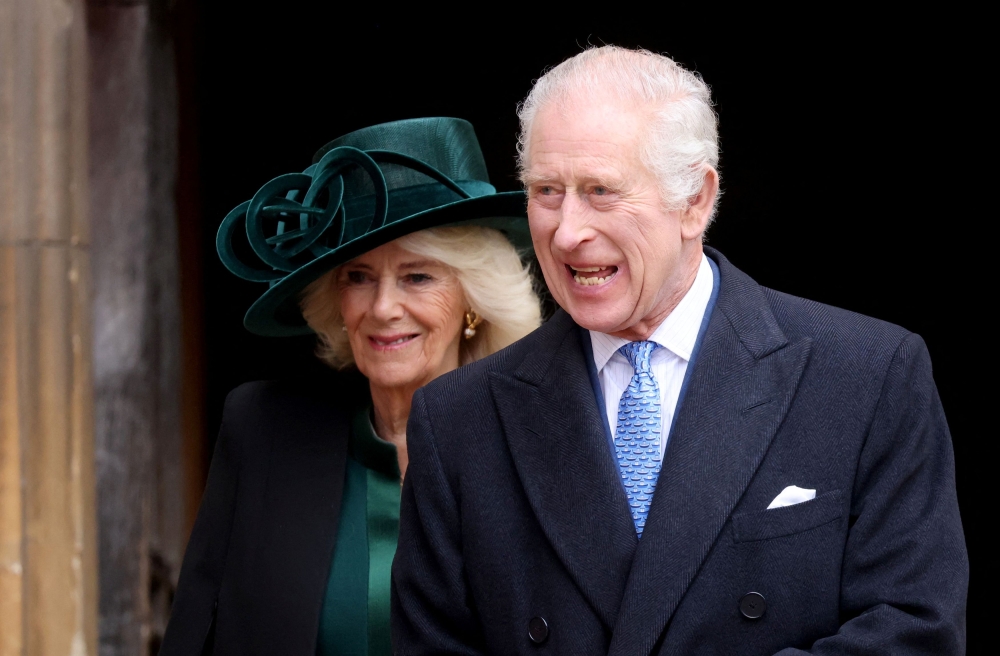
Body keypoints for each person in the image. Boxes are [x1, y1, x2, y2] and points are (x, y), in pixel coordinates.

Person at [391, 47, 968, 655]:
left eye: (601, 191)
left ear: (695, 199)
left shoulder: (867, 376)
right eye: (546, 191)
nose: (567, 232)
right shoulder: (456, 420)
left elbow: (913, 631)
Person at [158, 117, 542, 656]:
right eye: (358, 277)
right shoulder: (263, 431)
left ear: (473, 300)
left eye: (418, 276)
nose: (383, 308)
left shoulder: (542, 446)